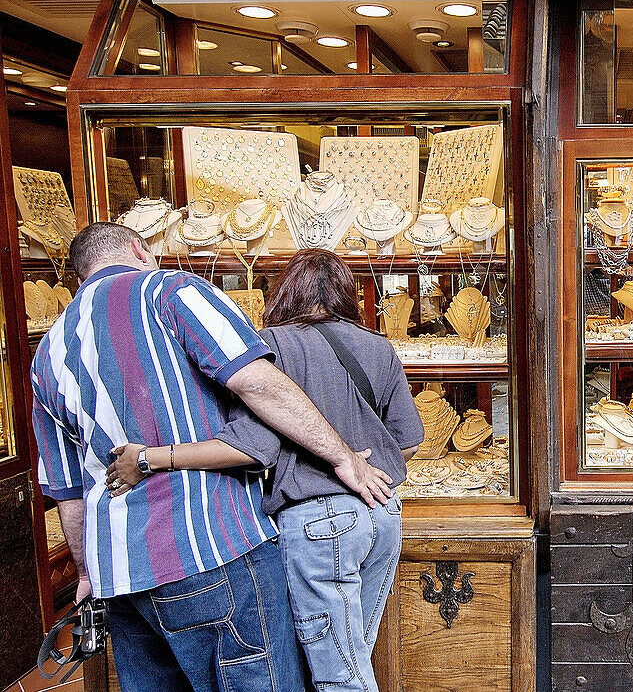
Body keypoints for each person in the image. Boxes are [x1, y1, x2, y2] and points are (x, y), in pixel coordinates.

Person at [32, 223, 394, 691]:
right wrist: (344, 457)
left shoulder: (48, 352)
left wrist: (85, 573)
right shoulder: (171, 291)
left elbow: (68, 489)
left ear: (79, 275)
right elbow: (257, 382)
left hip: (118, 575)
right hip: (210, 550)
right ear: (141, 250)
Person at [107, 248, 424, 692]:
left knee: (340, 675)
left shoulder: (268, 346)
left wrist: (152, 457)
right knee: (349, 662)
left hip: (318, 521)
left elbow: (253, 448)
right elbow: (407, 441)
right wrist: (362, 465)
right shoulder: (378, 345)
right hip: (382, 513)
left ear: (284, 292)